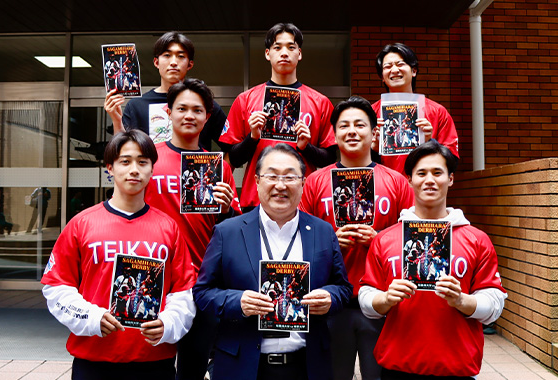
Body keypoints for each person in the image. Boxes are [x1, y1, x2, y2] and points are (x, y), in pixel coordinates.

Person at [41, 130, 196, 380]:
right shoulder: (81, 224)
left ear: (152, 169)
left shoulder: (170, 228)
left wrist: (168, 324)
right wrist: (92, 317)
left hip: (154, 363)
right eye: (125, 161)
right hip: (93, 361)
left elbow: (183, 292)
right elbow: (56, 287)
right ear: (110, 168)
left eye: (142, 162)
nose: (134, 169)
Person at [193, 143, 353, 380]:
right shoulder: (228, 232)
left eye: (290, 177)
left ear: (303, 183)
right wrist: (238, 301)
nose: (280, 185)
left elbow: (343, 288)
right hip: (243, 366)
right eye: (272, 176)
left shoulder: (322, 231)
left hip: (306, 365)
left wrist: (330, 298)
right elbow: (202, 292)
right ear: (257, 181)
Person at [359, 139, 507, 379]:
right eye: (421, 173)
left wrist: (462, 301)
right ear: (409, 180)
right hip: (397, 367)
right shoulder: (384, 239)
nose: (429, 180)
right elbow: (366, 299)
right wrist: (385, 298)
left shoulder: (477, 239)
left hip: (456, 368)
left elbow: (494, 305)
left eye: (438, 172)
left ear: (450, 179)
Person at [299, 96, 414, 380]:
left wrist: (379, 241)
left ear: (374, 133)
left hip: (381, 304)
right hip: (330, 303)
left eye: (360, 125)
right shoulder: (314, 181)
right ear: (334, 135)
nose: (351, 131)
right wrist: (329, 244)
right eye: (344, 126)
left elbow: (412, 241)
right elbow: (296, 239)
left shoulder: (397, 181)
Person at [143, 78, 241, 380]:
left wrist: (225, 209)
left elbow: (231, 230)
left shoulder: (218, 165)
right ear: (168, 112)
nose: (189, 115)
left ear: (207, 116)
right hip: (152, 274)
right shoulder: (149, 158)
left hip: (199, 279)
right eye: (182, 108)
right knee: (151, 363)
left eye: (197, 110)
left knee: (193, 366)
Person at [220, 23, 337, 213]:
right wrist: (253, 137)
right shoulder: (246, 99)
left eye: (291, 47)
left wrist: (306, 147)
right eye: (277, 47)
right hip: (255, 201)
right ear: (268, 54)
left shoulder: (320, 102)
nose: (284, 53)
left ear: (299, 54)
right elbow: (232, 158)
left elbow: (330, 162)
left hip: (303, 202)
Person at [104, 31, 227, 151]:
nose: (173, 62)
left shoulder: (205, 105)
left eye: (180, 56)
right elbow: (123, 151)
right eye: (167, 55)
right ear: (156, 62)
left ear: (190, 64)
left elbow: (231, 149)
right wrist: (116, 120)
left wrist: (218, 171)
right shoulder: (136, 106)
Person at [371, 42, 459, 174]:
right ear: (382, 77)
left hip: (422, 190)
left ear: (414, 71)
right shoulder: (370, 114)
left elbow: (452, 161)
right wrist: (374, 150)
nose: (394, 70)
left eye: (400, 64)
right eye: (387, 66)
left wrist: (431, 143)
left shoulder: (438, 112)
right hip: (385, 190)